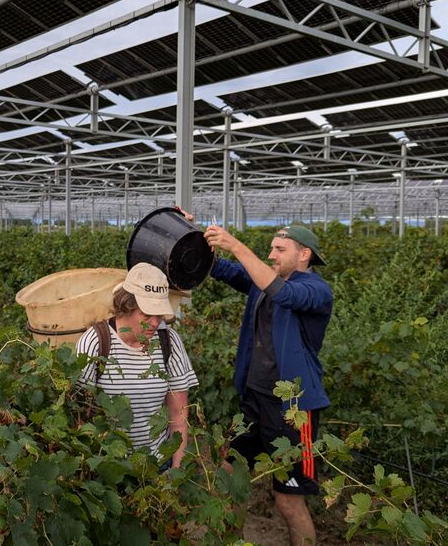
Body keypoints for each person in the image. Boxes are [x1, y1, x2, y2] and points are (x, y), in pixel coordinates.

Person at [204, 224, 332, 546]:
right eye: (271, 248)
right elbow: (219, 269)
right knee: (231, 477)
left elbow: (284, 294)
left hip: (292, 408)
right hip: (254, 399)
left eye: (280, 250)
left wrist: (236, 245)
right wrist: (193, 236)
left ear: (305, 254)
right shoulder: (261, 282)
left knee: (288, 499)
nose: (271, 254)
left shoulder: (316, 290)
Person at [75, 263, 199, 470]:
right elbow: (80, 416)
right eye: (146, 314)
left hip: (157, 464)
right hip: (108, 467)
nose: (154, 323)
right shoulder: (96, 342)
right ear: (126, 305)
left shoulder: (169, 340)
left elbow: (178, 416)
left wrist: (177, 470)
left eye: (159, 315)